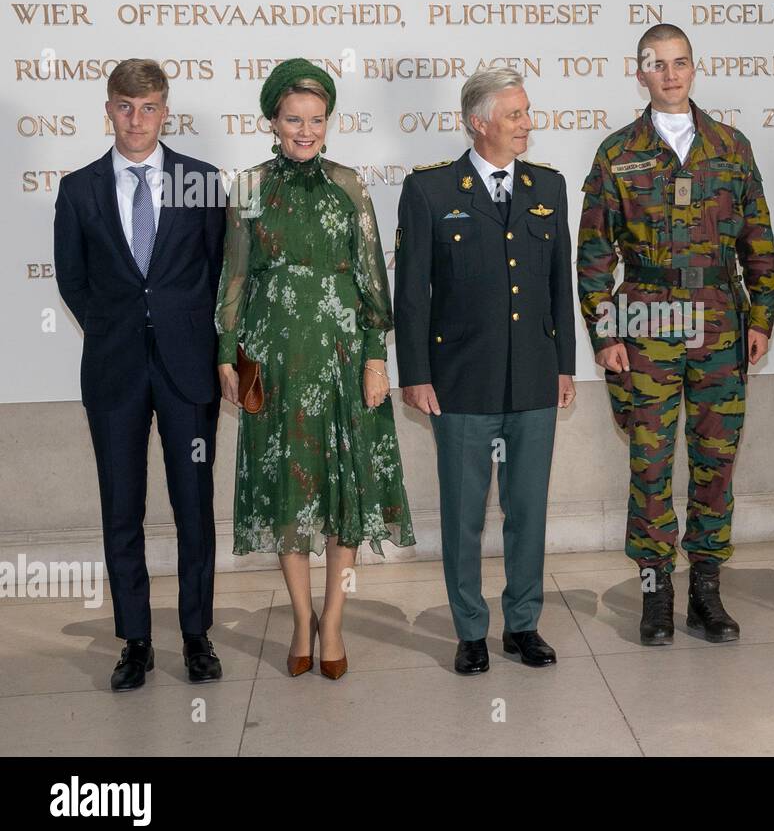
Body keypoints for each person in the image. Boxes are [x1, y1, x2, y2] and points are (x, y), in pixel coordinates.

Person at [576, 23, 774, 646]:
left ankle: (706, 590)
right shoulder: (618, 152)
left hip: (720, 321)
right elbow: (591, 257)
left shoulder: (730, 147)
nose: (670, 74)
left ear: (695, 68)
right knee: (650, 462)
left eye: (680, 62)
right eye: (657, 64)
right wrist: (605, 334)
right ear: (639, 72)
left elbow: (760, 243)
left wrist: (762, 318)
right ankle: (655, 591)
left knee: (716, 461)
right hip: (644, 324)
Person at [215, 58, 414, 680]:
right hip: (271, 358)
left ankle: (334, 618)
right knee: (288, 492)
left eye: (317, 120)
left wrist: (377, 357)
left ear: (328, 121)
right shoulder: (247, 188)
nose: (305, 131)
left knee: (341, 490)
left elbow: (372, 278)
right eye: (293, 119)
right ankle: (301, 617)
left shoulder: (351, 185)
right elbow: (236, 276)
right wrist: (227, 354)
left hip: (341, 356)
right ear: (273, 121)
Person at [394, 67, 576, 675]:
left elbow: (558, 286)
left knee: (528, 509)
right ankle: (470, 629)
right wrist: (416, 373)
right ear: (480, 122)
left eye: (527, 112)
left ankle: (523, 624)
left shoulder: (548, 185)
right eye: (516, 114)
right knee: (465, 513)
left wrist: (564, 366)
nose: (529, 123)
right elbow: (412, 294)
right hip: (460, 381)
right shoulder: (431, 192)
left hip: (532, 376)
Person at [53, 58, 226, 691]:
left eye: (149, 107)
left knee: (194, 507)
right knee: (121, 508)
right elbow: (73, 280)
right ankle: (135, 641)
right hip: (115, 373)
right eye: (125, 107)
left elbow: (216, 273)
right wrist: (116, 326)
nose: (137, 120)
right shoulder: (79, 189)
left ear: (165, 110)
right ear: (109, 110)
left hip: (189, 372)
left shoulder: (200, 182)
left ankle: (196, 636)